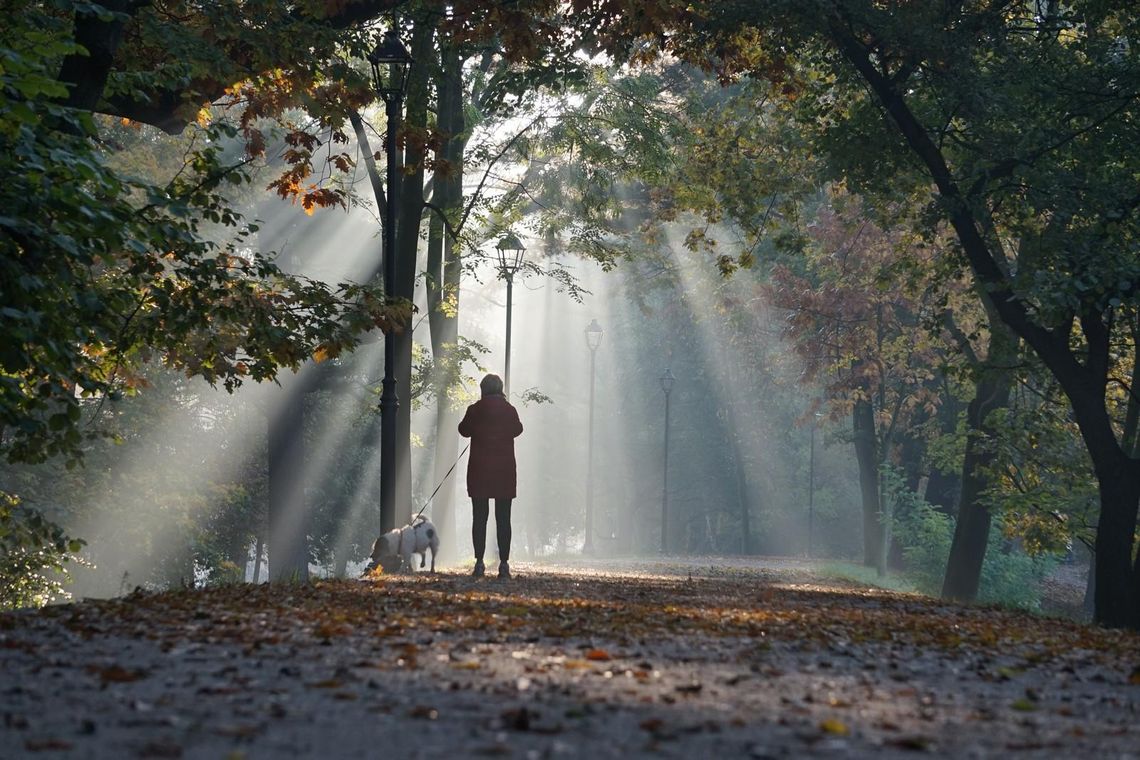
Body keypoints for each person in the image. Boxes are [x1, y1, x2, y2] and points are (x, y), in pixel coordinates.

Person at [458, 373, 523, 579]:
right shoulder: (509, 410)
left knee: (480, 518)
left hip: (479, 470)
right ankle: (504, 565)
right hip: (504, 470)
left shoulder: (474, 410)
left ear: (483, 389)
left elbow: (463, 430)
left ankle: (479, 563)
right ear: (500, 388)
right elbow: (518, 430)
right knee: (504, 519)